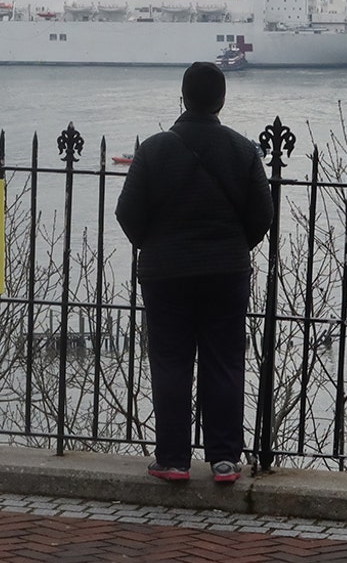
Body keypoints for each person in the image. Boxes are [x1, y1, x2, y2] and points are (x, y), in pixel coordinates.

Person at [116, 61, 273, 485]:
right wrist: (234, 247)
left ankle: (172, 459)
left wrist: (156, 246)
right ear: (221, 100)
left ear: (182, 98)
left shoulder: (152, 150)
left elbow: (127, 213)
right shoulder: (243, 151)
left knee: (171, 362)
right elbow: (263, 215)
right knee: (224, 361)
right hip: (226, 272)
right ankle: (224, 459)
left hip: (165, 274)